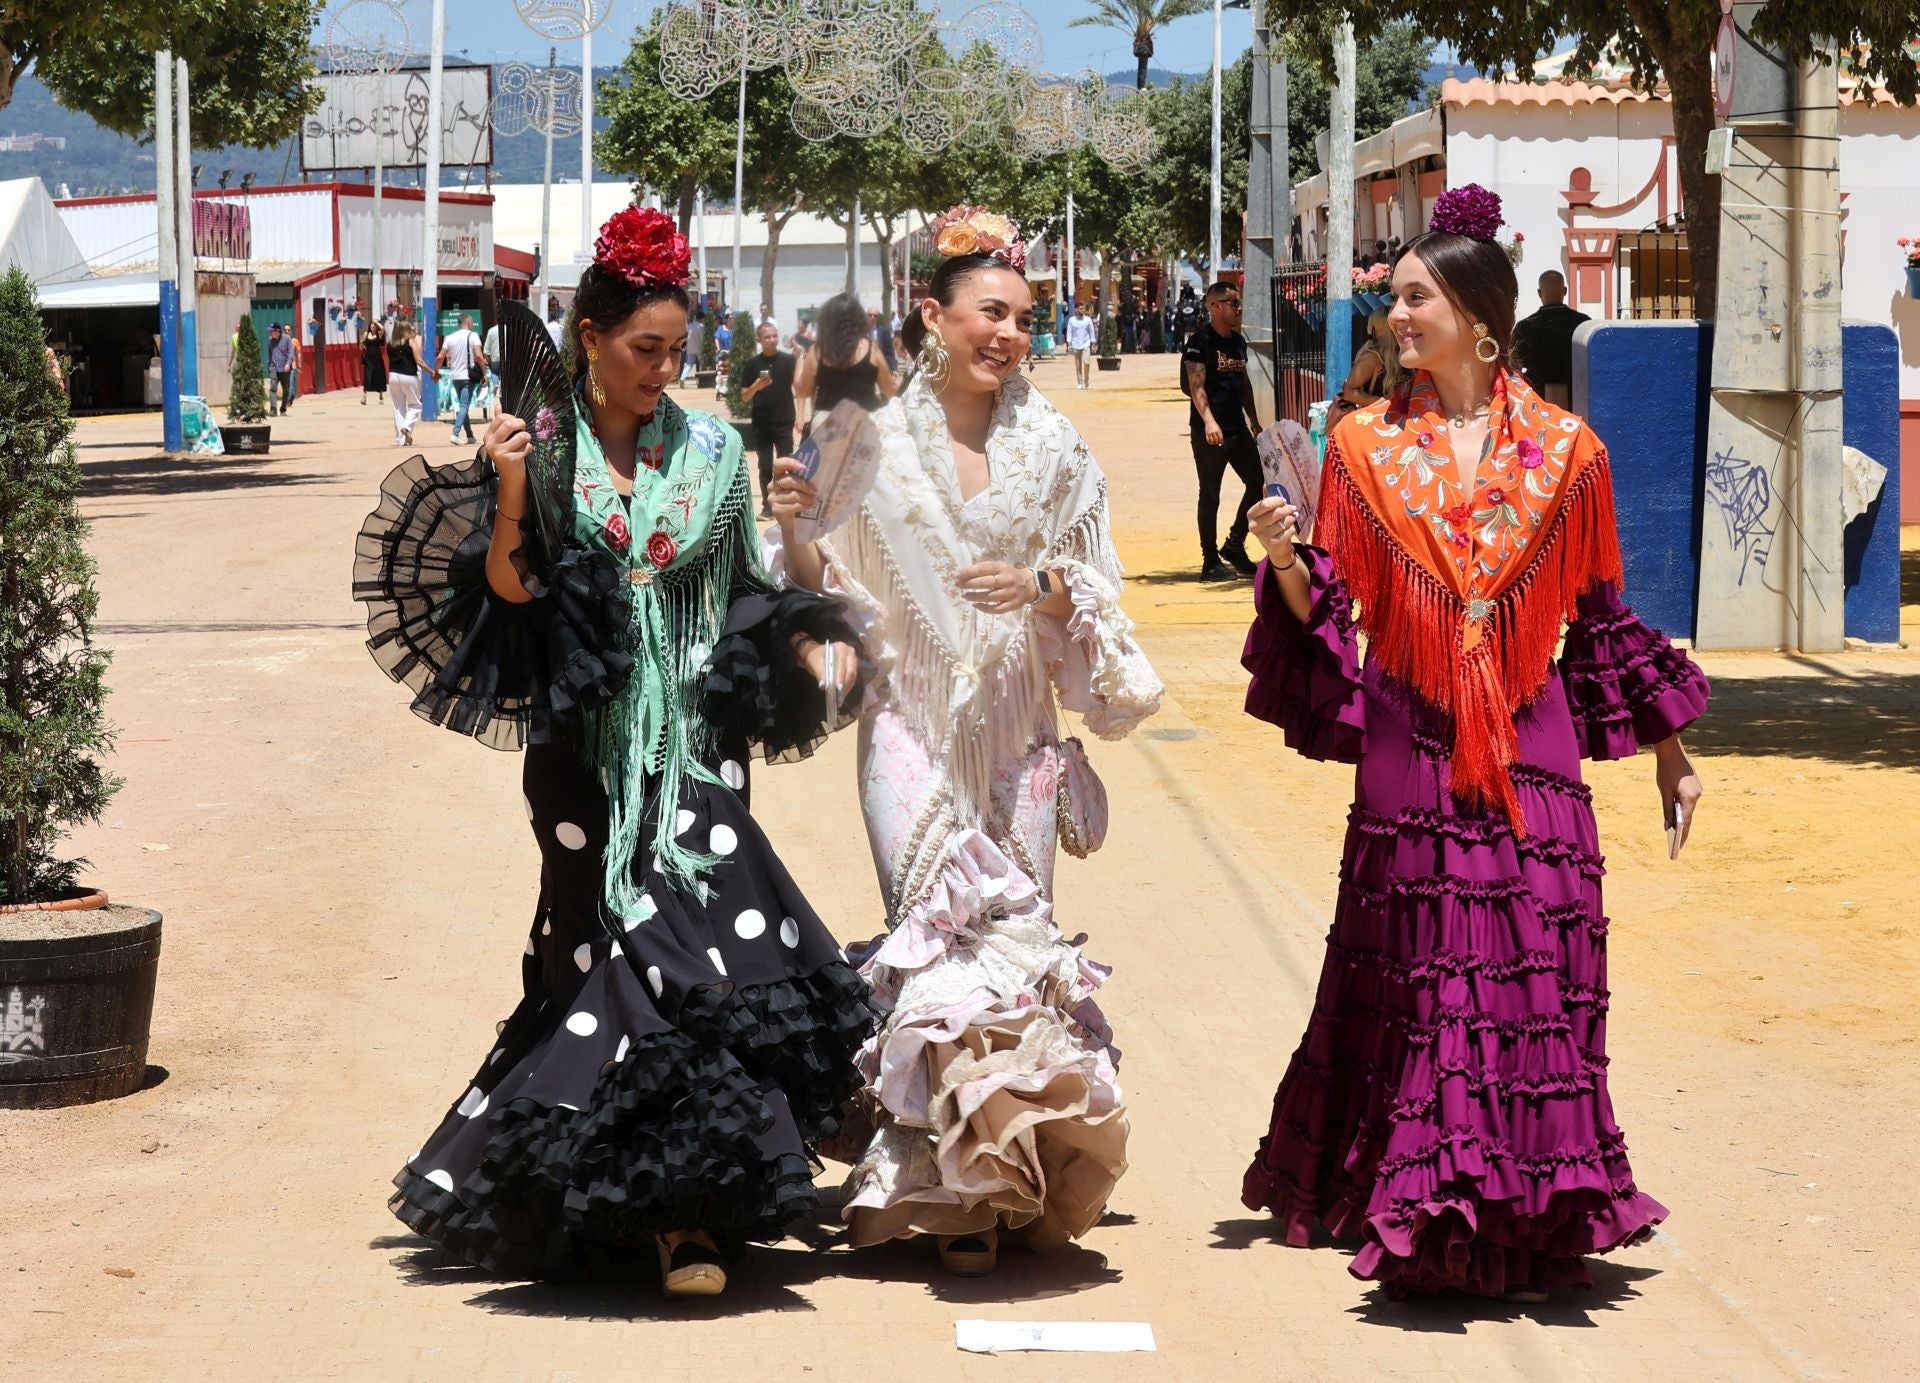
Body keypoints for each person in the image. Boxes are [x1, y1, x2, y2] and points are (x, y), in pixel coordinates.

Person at [357, 206, 878, 1299]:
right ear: (588, 338)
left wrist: (797, 610)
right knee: (603, 953)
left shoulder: (712, 457)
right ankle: (642, 1200)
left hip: (696, 746)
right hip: (584, 756)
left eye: (676, 352)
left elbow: (741, 593)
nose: (662, 370)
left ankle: (684, 1213)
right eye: (645, 349)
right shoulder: (540, 452)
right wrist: (507, 489)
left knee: (689, 949)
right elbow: (509, 590)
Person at [1236, 184, 1710, 1301]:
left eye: (1413, 296)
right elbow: (1333, 612)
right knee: (1423, 965)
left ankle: (1529, 1200)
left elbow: (1598, 620)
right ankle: (1424, 1196)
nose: (1395, 315)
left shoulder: (1569, 454)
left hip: (1529, 727)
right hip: (1410, 732)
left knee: (1535, 958)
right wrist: (1288, 558)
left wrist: (1674, 753)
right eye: (1393, 298)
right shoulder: (1358, 451)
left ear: (1478, 314)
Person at [770, 204, 1164, 1277]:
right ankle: (938, 1186)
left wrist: (1041, 586)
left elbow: (1100, 584)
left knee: (1014, 949)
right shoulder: (865, 440)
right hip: (906, 723)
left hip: (1021, 730)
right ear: (933, 314)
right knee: (936, 936)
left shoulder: (1056, 448)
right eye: (990, 313)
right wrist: (802, 528)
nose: (1008, 335)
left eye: (1024, 319)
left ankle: (990, 1187)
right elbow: (817, 593)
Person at [1182, 281, 1262, 580]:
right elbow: (1195, 385)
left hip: (1238, 430)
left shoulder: (1238, 342)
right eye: (1233, 303)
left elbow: (1243, 383)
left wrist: (1253, 418)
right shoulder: (1199, 342)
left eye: (1239, 302)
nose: (1239, 308)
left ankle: (1234, 545)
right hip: (1210, 433)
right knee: (1210, 495)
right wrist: (1208, 421)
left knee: (1258, 483)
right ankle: (1210, 560)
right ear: (1215, 306)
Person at [794, 292, 894, 435]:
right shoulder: (871, 348)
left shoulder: (818, 351)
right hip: (864, 424)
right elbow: (889, 390)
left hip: (828, 425)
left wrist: (801, 357)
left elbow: (802, 391)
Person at [739, 320, 796, 518]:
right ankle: (768, 507)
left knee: (787, 464)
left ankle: (788, 504)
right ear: (759, 339)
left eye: (774, 336)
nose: (772, 340)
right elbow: (744, 396)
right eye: (767, 337)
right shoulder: (752, 364)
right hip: (762, 423)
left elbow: (801, 388)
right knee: (765, 465)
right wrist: (756, 386)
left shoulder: (789, 362)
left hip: (784, 420)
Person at [1513, 269, 1592, 409]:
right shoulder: (1583, 324)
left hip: (1538, 402)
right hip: (1577, 402)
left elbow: (1514, 367)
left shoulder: (1524, 327)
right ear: (1565, 291)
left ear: (1539, 293)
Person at [1332, 307, 1403, 419]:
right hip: (1378, 422)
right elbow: (1349, 393)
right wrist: (1387, 404)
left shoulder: (1402, 352)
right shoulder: (1373, 356)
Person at [439, 312, 486, 447]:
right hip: (468, 377)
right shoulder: (473, 336)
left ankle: (470, 435)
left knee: (462, 405)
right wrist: (484, 372)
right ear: (469, 323)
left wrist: (435, 371)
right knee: (464, 405)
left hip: (455, 377)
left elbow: (440, 356)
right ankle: (455, 433)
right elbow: (478, 356)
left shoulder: (450, 337)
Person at [384, 318, 433, 447]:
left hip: (393, 376)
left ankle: (400, 439)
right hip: (409, 376)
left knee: (398, 407)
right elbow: (419, 361)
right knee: (415, 405)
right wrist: (431, 371)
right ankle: (406, 427)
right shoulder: (411, 342)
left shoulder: (390, 343)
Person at [1064, 301, 1096, 389]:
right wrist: (1069, 344)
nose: (1083, 310)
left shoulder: (1088, 320)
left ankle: (1086, 381)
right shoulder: (1071, 320)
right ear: (1076, 310)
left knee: (1086, 362)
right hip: (1075, 344)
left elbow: (1091, 332)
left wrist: (1093, 344)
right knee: (1078, 365)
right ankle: (1080, 382)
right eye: (1081, 309)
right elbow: (1069, 332)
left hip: (1086, 344)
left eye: (1084, 309)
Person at [267, 323, 294, 415]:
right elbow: (270, 355)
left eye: (271, 331)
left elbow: (291, 353)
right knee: (273, 389)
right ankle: (273, 410)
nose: (270, 333)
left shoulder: (287, 339)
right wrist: (270, 368)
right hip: (274, 369)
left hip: (285, 369)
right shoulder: (270, 340)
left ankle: (283, 409)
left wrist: (288, 364)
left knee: (286, 390)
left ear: (277, 331)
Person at [361, 318, 389, 406]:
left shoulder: (379, 334)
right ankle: (364, 397)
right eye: (372, 324)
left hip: (377, 359)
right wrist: (361, 344)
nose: (372, 326)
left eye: (374, 325)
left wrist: (377, 322)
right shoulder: (366, 334)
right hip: (368, 359)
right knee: (367, 376)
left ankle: (380, 396)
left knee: (379, 376)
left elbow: (383, 329)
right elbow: (361, 347)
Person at [681, 311, 705, 383]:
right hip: (699, 348)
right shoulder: (701, 327)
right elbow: (702, 338)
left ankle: (682, 378)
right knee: (703, 364)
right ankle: (702, 379)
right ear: (702, 318)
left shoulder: (690, 325)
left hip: (690, 347)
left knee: (689, 364)